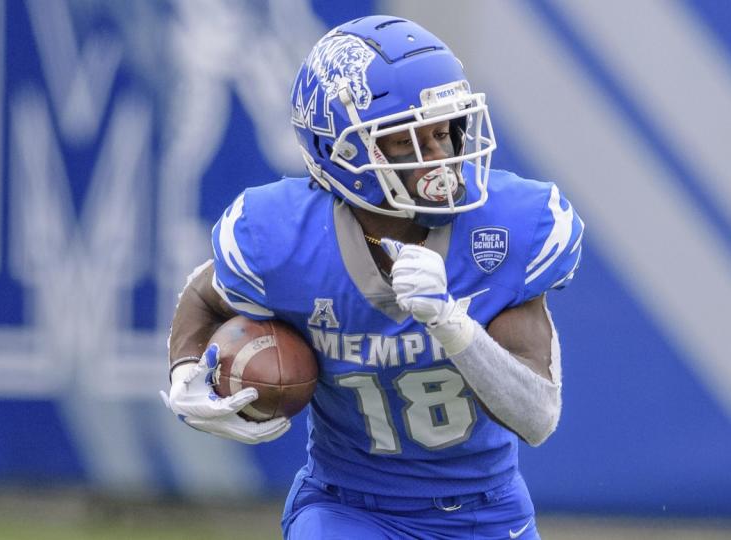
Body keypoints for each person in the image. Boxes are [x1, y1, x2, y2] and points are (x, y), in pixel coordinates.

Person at [160, 15, 583, 539]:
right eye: (408, 141)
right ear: (341, 153)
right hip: (350, 509)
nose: (442, 160)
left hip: (485, 511)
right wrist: (183, 372)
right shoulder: (284, 238)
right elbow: (206, 291)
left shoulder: (504, 229)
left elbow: (538, 416)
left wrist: (453, 325)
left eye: (443, 131)